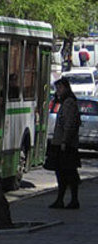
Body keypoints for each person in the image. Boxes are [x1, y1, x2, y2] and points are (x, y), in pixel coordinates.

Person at [48, 77, 81, 209]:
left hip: (65, 145)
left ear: (66, 88)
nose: (58, 91)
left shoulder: (69, 103)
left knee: (67, 173)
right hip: (63, 143)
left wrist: (64, 141)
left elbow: (69, 124)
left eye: (60, 88)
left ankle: (72, 200)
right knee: (62, 173)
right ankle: (61, 199)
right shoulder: (65, 102)